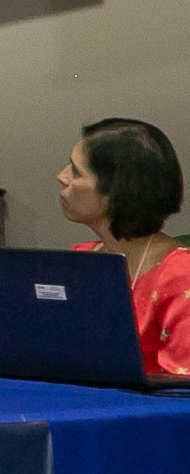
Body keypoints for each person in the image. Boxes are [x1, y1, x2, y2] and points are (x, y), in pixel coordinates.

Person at [58, 117, 189, 376]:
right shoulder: (80, 258)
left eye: (76, 171)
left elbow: (183, 386)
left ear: (117, 190)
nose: (61, 177)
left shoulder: (181, 275)